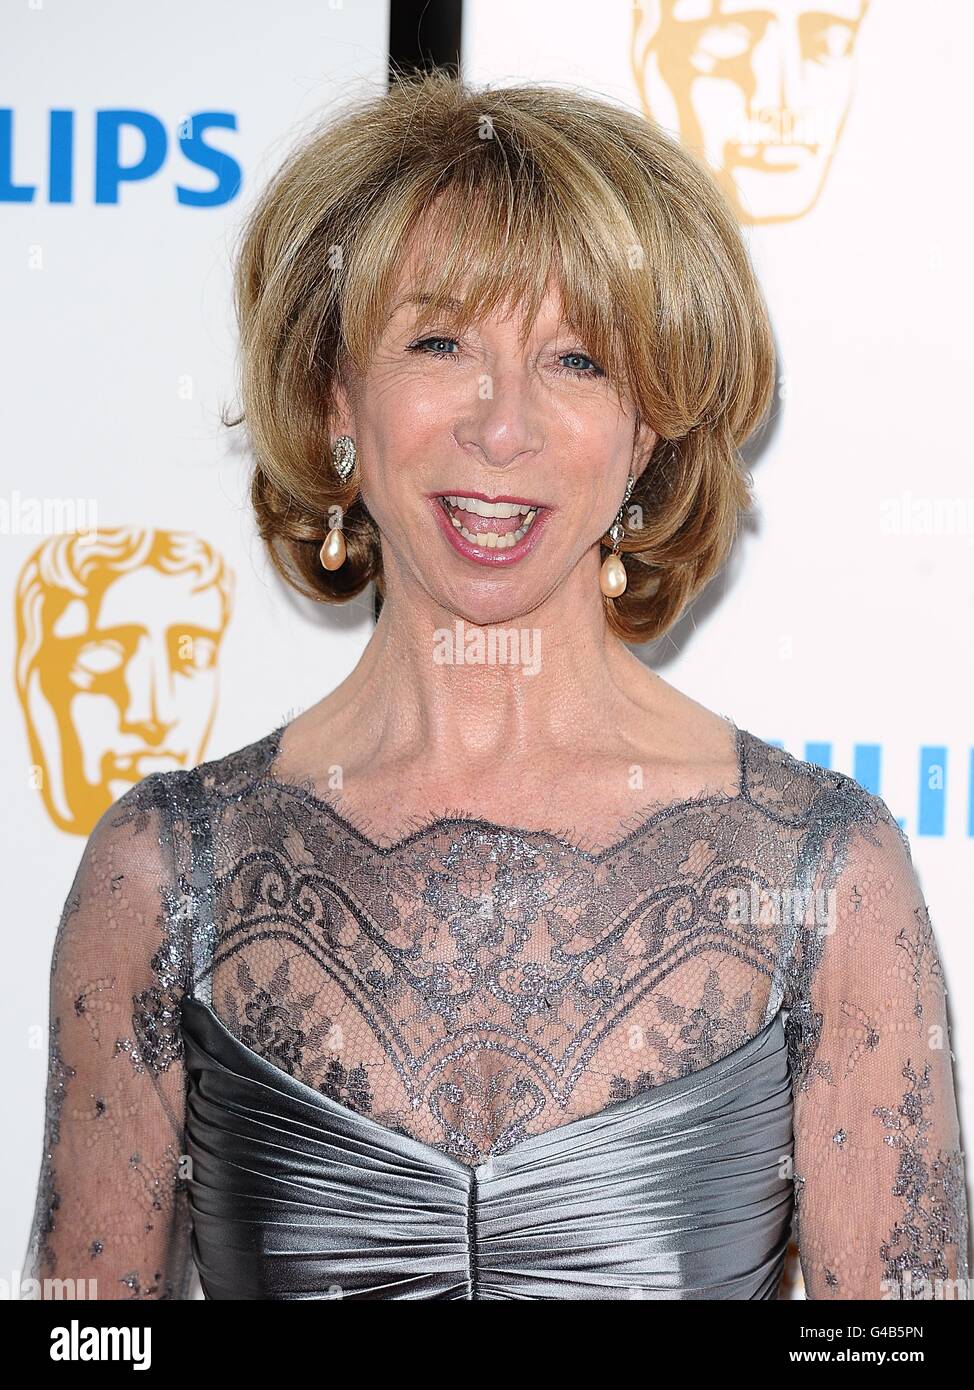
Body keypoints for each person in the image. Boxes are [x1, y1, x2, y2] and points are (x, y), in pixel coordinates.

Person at [23, 71, 968, 1301]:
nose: (502, 426)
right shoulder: (164, 874)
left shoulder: (818, 871)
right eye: (439, 342)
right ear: (332, 395)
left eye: (576, 359)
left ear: (648, 432)